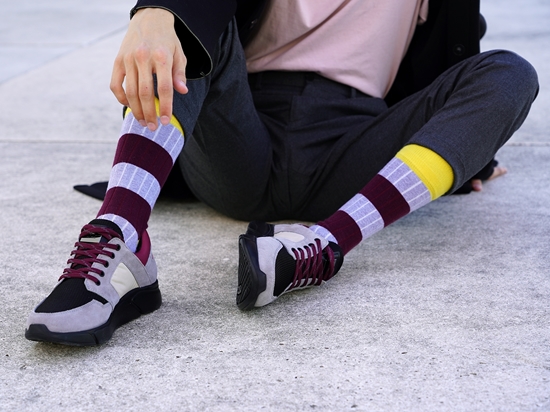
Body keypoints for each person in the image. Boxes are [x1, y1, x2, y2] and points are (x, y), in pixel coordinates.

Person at [25, 0, 538, 345]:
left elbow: (454, 60)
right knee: (184, 23)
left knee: (511, 73)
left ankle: (322, 247)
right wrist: (157, 10)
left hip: (353, 151)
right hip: (240, 133)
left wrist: (466, 148)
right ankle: (120, 232)